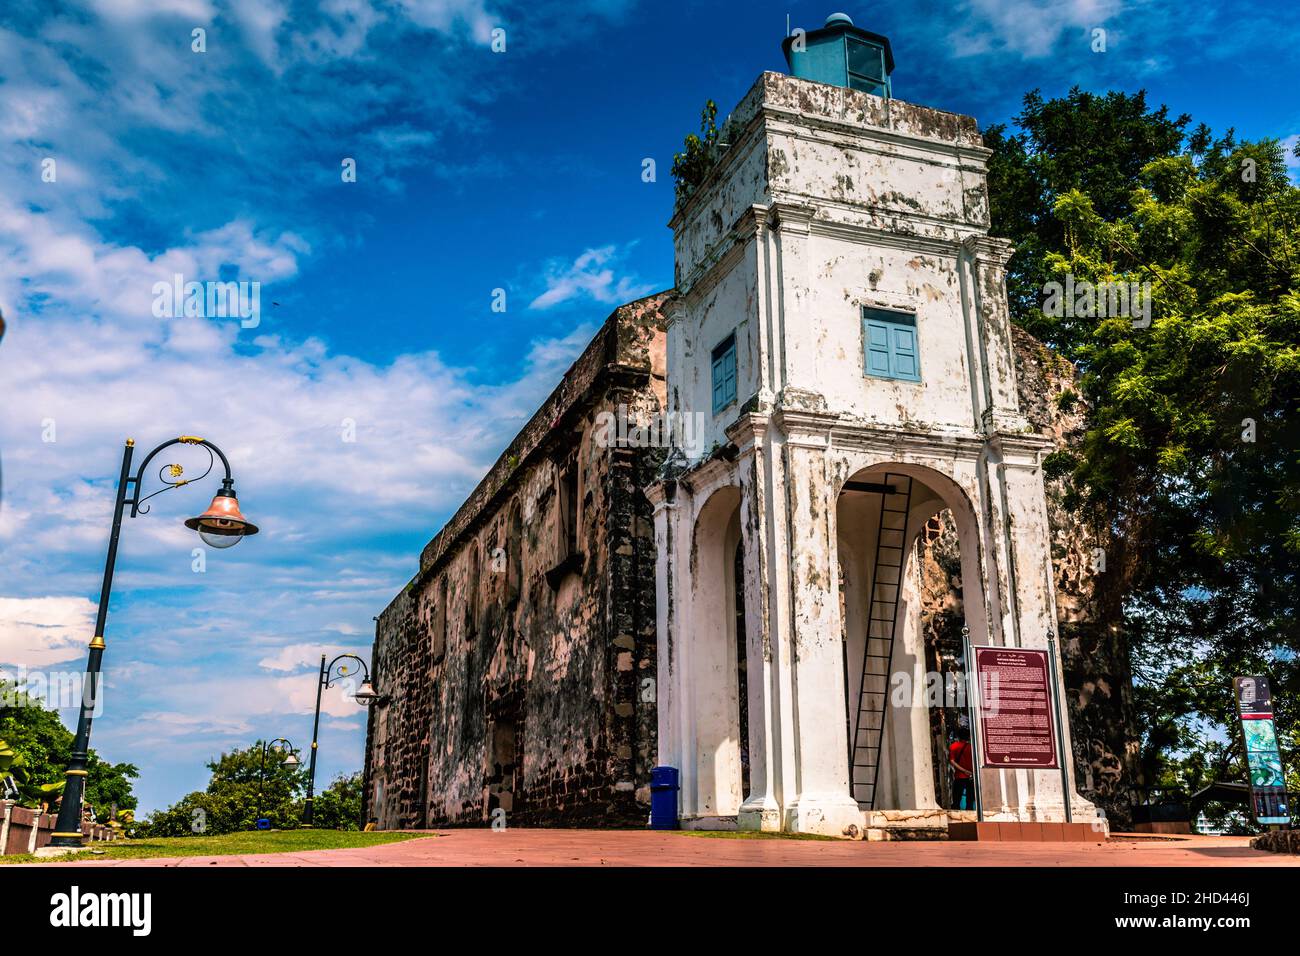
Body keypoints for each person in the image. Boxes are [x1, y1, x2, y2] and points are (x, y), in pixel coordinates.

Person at [949, 726, 974, 811]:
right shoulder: (972, 747)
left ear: (959, 736)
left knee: (956, 798)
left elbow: (952, 761)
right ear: (968, 736)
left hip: (959, 776)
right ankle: (970, 817)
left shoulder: (954, 746)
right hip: (971, 776)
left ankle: (955, 816)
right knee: (970, 799)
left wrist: (963, 771)